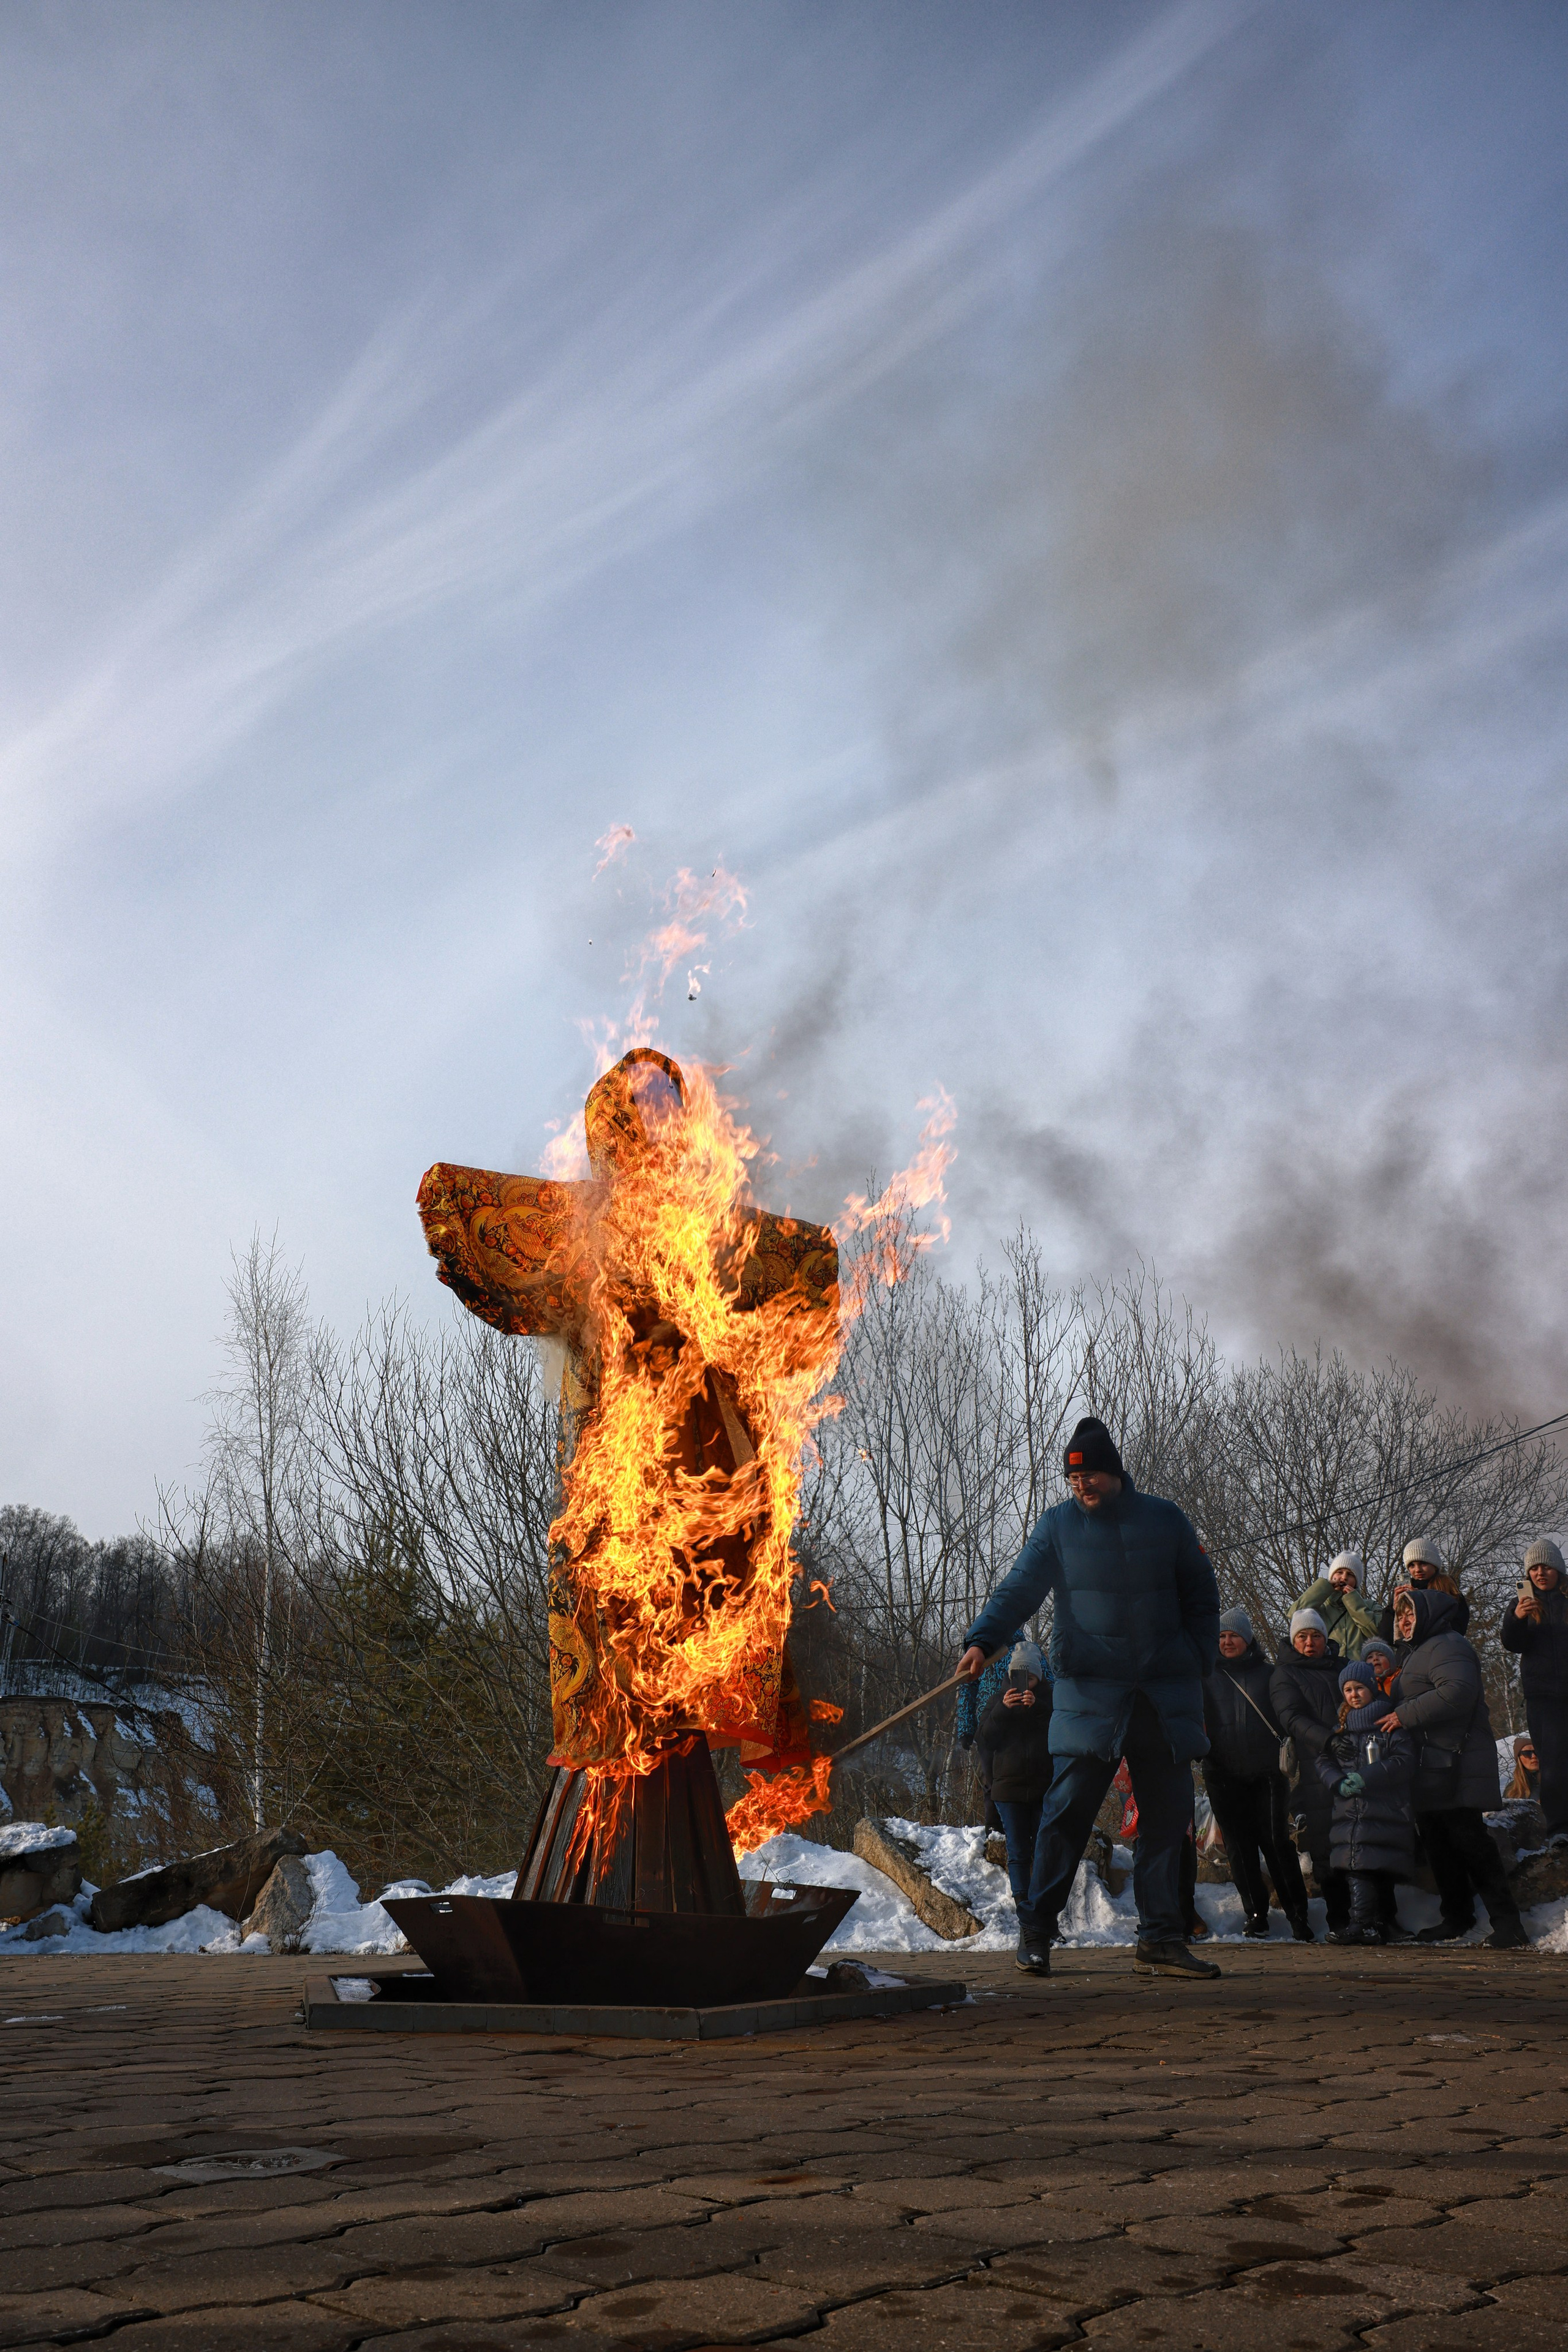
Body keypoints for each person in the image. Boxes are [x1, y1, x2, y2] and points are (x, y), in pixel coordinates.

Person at [956, 1415, 1221, 1981]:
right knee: (1065, 1816)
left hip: (1161, 1692)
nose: (1082, 1487)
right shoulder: (1058, 1527)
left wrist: (1200, 1657)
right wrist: (984, 1640)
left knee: (1168, 1820)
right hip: (1089, 1692)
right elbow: (1019, 1588)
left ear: (1114, 1472)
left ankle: (1162, 1938)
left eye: (1091, 1476)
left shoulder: (1165, 1519)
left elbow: (1202, 1590)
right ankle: (1036, 1933)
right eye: (1074, 1480)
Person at [1382, 1588, 1528, 1948]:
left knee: (1470, 1840)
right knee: (1438, 1842)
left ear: (1428, 1616)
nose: (1403, 1622)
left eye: (1410, 1615)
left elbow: (1458, 1691)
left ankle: (1508, 1923)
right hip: (1431, 1763)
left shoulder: (1448, 1644)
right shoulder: (1417, 1651)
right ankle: (1457, 1917)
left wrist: (1403, 1714)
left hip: (1455, 1762)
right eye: (1400, 1616)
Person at [1201, 1606, 1312, 1941]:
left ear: (1247, 1638)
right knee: (1238, 1847)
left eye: (1233, 1635)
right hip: (1222, 1774)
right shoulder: (1205, 1676)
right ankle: (1256, 1914)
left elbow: (1289, 1714)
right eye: (1221, 1636)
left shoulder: (1271, 1674)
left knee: (1277, 1844)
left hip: (1267, 1776)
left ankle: (1298, 1916)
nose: (1227, 1641)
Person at [1316, 1659, 1415, 1946]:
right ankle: (1369, 1923)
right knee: (1358, 1865)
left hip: (1384, 1809)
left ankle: (1370, 1923)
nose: (1354, 1695)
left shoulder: (1389, 1724)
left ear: (1372, 1689)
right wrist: (1337, 1781)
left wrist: (1366, 1778)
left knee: (1374, 1866)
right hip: (1350, 1812)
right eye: (1347, 1690)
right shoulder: (1341, 1729)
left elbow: (1403, 1761)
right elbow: (1323, 1760)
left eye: (1360, 1688)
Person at [1270, 1607, 1351, 1936]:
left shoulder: (1343, 1666)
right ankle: (1340, 1919)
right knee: (1326, 1843)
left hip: (1356, 1761)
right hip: (1316, 1765)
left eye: (1315, 1636)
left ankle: (1373, 1916)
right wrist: (1328, 1741)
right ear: (1294, 1640)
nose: (1309, 1642)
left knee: (1362, 1838)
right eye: (1302, 1637)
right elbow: (1291, 1717)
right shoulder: (1285, 1674)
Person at [975, 1641, 1055, 1917]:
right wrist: (1002, 1711)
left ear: (1039, 1678)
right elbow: (985, 1739)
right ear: (1010, 1676)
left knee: (1043, 1849)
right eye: (1019, 1677)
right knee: (1018, 1850)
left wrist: (1038, 1709)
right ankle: (1024, 1908)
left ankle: (1041, 1904)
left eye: (1030, 1678)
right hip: (1008, 1789)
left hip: (1043, 1786)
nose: (1025, 1684)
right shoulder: (999, 1699)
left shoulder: (1049, 1700)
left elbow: (1060, 1735)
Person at [1499, 1537, 1568, 1838]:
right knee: (1551, 1764)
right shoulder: (1521, 1603)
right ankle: (1559, 1829)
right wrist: (1517, 1619)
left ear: (1559, 1569)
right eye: (1535, 1568)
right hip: (1542, 1695)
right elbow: (1512, 1644)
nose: (1541, 1573)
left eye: (1547, 1567)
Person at [1377, 1536, 1469, 1648]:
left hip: (1440, 1649)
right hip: (1409, 1656)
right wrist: (1394, 1610)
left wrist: (1420, 1601)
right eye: (1412, 1565)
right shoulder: (1405, 1592)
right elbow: (1387, 1638)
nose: (1417, 1570)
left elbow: (1458, 1627)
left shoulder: (1448, 1589)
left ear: (1434, 1564)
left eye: (1423, 1563)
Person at [956, 1652, 1012, 1831]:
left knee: (1015, 1779)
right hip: (986, 1727)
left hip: (1018, 1728)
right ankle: (994, 1829)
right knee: (991, 1780)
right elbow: (967, 1686)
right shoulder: (981, 1651)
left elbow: (1047, 1683)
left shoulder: (1026, 1650)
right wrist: (966, 1728)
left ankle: (1018, 1827)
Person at [1294, 1551, 1379, 1661]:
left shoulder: (1371, 1606)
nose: (1344, 1577)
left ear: (1356, 1581)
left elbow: (1379, 1633)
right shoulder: (1320, 1607)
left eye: (1350, 1574)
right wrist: (1323, 1587)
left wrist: (1354, 1602)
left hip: (1360, 1672)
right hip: (1326, 1671)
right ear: (1332, 1576)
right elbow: (1295, 1615)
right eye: (1339, 1572)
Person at [1504, 1732, 1541, 1803]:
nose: (1534, 1756)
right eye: (1527, 1753)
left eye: (1536, 1752)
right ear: (1519, 1759)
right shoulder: (1512, 1790)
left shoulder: (1555, 1782)